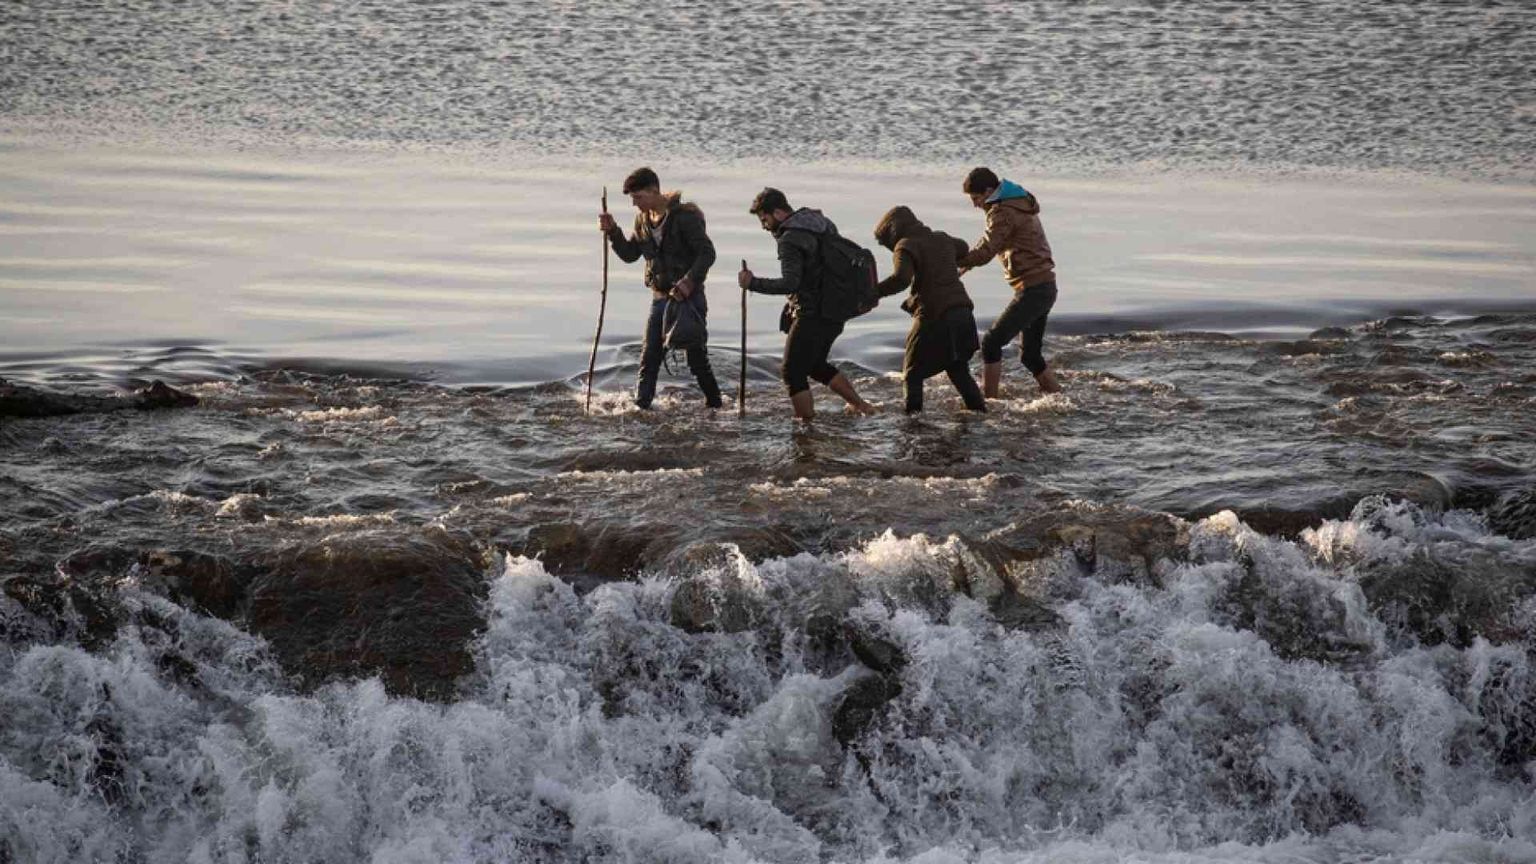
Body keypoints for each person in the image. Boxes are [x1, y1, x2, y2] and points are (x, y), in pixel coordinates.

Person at [737, 188, 875, 420]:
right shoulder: (822, 224)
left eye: (765, 219)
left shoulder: (789, 239)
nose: (764, 226)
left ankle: (806, 425)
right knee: (814, 364)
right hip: (836, 310)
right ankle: (862, 406)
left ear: (779, 212)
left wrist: (752, 283)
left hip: (813, 314)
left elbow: (790, 283)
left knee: (791, 372)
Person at [599, 167, 723, 410]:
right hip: (659, 298)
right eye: (632, 199)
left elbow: (707, 253)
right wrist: (613, 232)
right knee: (649, 358)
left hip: (689, 299)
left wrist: (688, 282)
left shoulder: (685, 218)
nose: (635, 204)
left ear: (654, 191)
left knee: (696, 359)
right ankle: (641, 407)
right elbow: (630, 255)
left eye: (638, 198)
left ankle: (715, 404)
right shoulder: (642, 220)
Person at [958, 167, 1064, 397]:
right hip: (1045, 286)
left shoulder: (1002, 212)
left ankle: (988, 404)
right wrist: (966, 264)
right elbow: (991, 241)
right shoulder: (1016, 202)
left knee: (991, 343)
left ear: (988, 191)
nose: (975, 204)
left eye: (976, 198)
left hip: (1033, 289)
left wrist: (953, 257)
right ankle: (1059, 396)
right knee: (1030, 356)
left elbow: (987, 250)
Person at [872, 206, 986, 414]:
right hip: (963, 311)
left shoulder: (905, 246)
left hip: (935, 314)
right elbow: (963, 246)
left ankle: (912, 423)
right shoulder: (941, 238)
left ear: (892, 232)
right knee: (958, 369)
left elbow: (901, 279)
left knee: (912, 373)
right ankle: (979, 414)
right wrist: (943, 259)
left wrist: (874, 293)